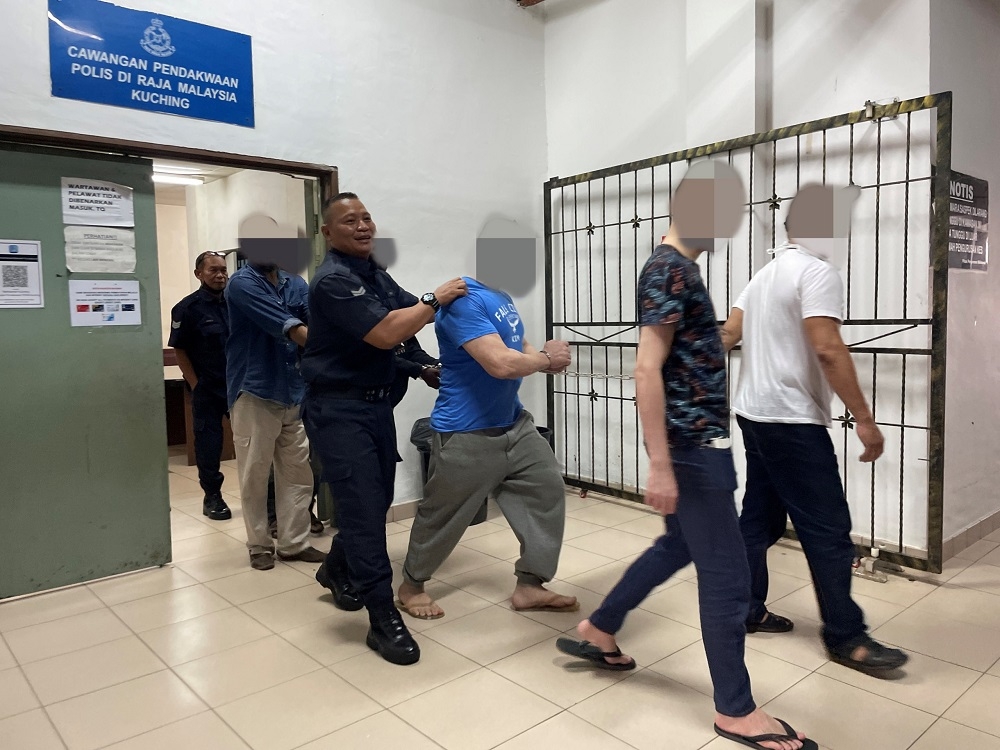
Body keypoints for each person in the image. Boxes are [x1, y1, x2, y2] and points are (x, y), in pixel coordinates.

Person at [557, 161, 815, 750]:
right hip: (693, 449)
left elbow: (685, 352)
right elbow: (645, 368)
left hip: (696, 443)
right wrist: (661, 463)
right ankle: (735, 711)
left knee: (677, 546)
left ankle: (601, 626)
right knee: (728, 578)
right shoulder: (670, 269)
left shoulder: (678, 270)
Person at [720, 183, 908, 677]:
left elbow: (728, 335)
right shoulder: (816, 272)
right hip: (791, 421)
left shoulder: (763, 276)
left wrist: (676, 355)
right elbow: (827, 348)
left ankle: (747, 609)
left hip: (754, 414)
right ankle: (846, 636)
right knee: (827, 530)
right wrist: (864, 419)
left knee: (758, 521)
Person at [301, 191, 467, 666]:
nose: (362, 226)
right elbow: (386, 332)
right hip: (338, 410)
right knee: (363, 511)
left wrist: (425, 365)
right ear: (327, 233)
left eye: (367, 218)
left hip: (375, 408)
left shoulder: (373, 273)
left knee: (372, 503)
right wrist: (437, 297)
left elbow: (405, 322)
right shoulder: (333, 280)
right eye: (349, 221)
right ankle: (382, 618)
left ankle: (337, 568)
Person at [395, 277, 575, 620]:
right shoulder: (463, 301)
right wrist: (545, 359)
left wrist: (543, 359)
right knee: (443, 514)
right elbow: (501, 364)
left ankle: (530, 585)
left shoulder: (501, 295)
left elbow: (518, 345)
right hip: (466, 431)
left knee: (546, 490)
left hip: (514, 423)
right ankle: (412, 586)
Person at [226, 257, 326, 570]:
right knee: (254, 474)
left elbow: (315, 320)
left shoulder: (295, 283)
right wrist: (336, 350)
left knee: (297, 473)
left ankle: (294, 544)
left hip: (293, 390)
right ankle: (259, 545)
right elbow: (289, 327)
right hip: (255, 390)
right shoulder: (241, 283)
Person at [168, 251, 232, 522]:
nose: (220, 275)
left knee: (253, 443)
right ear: (199, 274)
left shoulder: (236, 302)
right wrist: (196, 385)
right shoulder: (187, 308)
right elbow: (179, 350)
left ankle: (265, 498)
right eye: (213, 270)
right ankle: (212, 496)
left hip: (238, 387)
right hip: (207, 388)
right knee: (208, 445)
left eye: (223, 270)